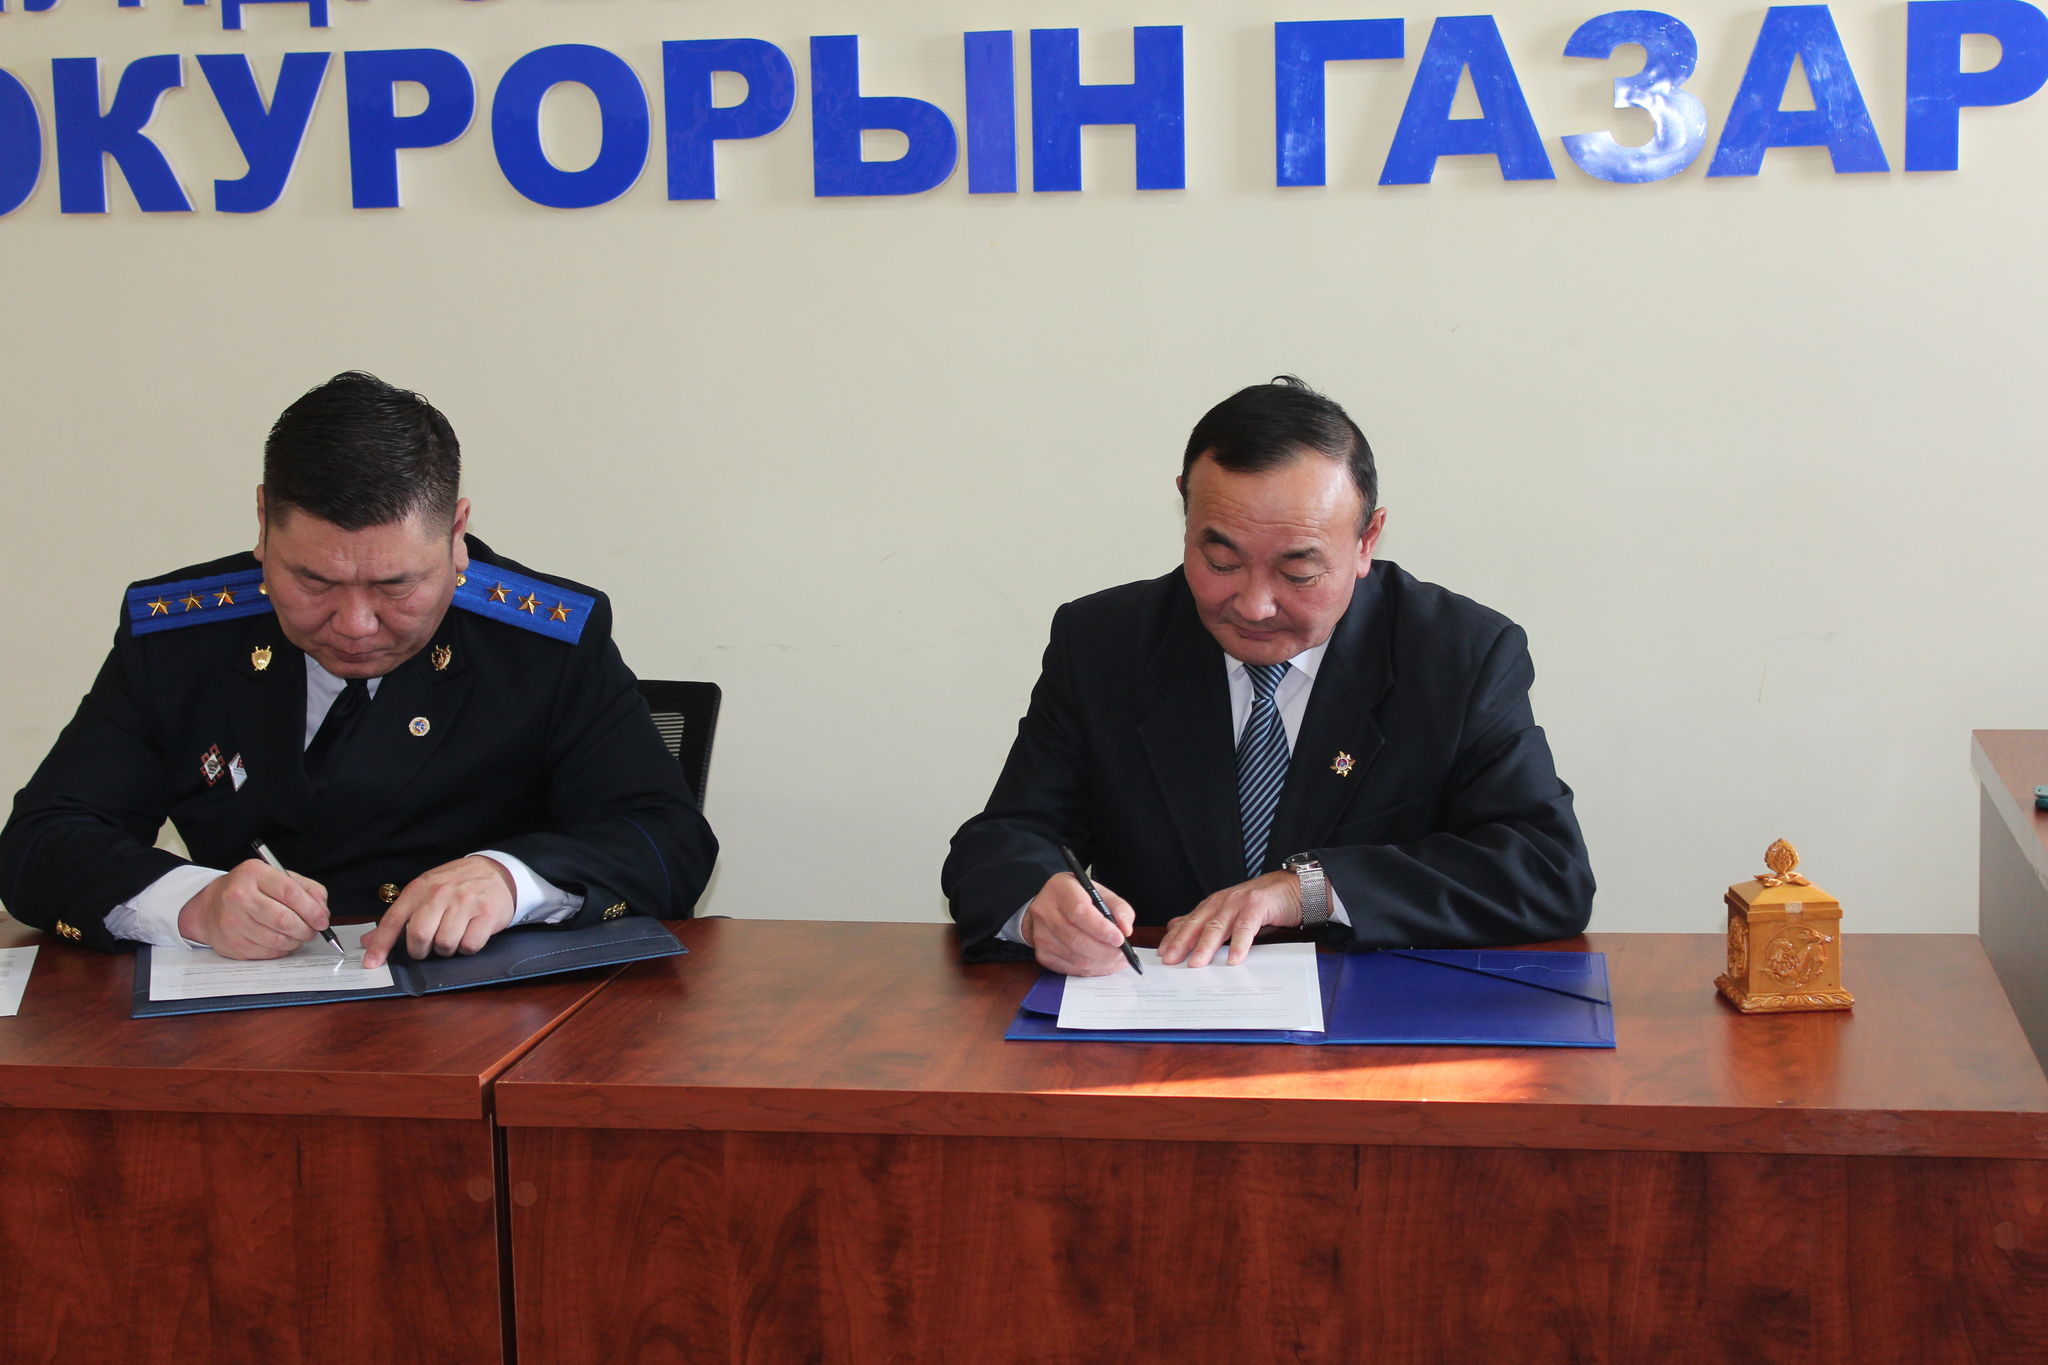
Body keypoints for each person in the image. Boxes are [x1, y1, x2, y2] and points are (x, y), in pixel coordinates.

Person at [0, 371, 715, 969]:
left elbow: (670, 840)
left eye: (396, 585)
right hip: (244, 1031)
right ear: (262, 523)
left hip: (484, 1027)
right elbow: (40, 843)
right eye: (314, 581)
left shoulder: (542, 645)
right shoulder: (182, 637)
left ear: (456, 533)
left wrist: (512, 879)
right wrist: (192, 903)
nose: (355, 624)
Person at [943, 377, 1593, 975]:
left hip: (1373, 1032)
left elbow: (1546, 871)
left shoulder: (1458, 655)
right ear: (1185, 513)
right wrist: (1040, 907)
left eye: (1297, 572)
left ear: (1367, 540)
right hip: (1157, 1024)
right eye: (1221, 562)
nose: (1254, 605)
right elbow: (1003, 840)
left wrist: (1309, 890)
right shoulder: (1104, 643)